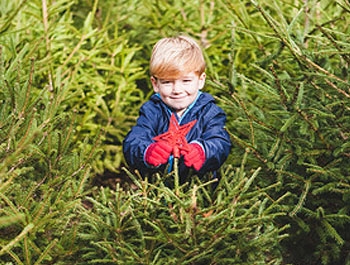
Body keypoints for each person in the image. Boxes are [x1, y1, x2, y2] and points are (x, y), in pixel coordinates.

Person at [123, 34, 231, 182]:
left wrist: (202, 150)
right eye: (167, 82)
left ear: (200, 81)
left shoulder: (209, 112)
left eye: (186, 81)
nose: (177, 90)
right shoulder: (152, 111)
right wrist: (147, 152)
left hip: (199, 188)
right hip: (157, 190)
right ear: (155, 84)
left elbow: (220, 141)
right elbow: (134, 140)